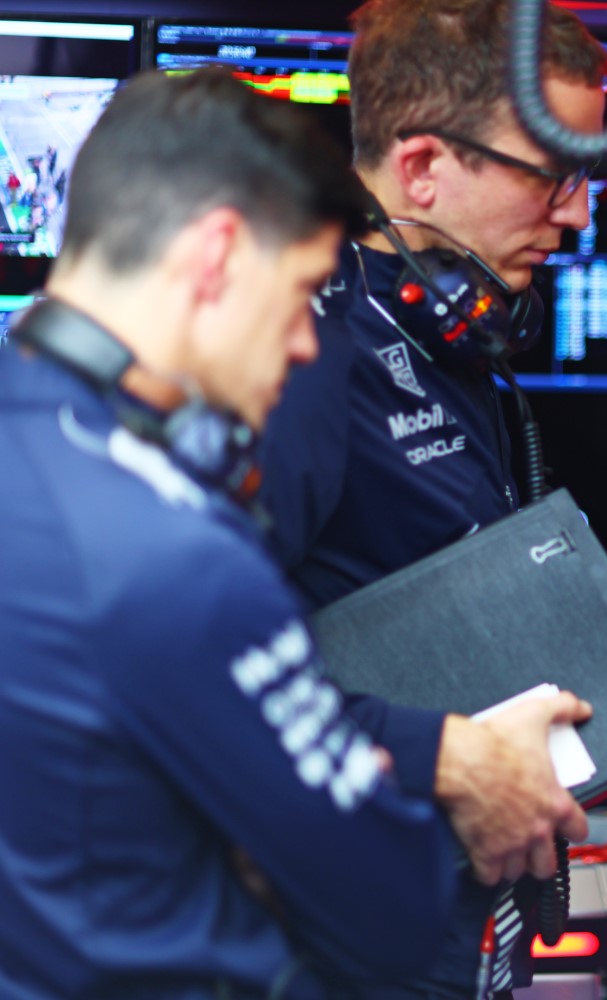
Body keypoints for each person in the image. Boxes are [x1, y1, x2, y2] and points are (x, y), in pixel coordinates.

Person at [0, 68, 569, 1000]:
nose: (309, 345)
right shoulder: (183, 559)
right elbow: (389, 906)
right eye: (305, 291)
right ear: (220, 255)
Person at [256, 1, 607, 996]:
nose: (578, 213)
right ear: (421, 168)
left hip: (453, 931)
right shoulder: (296, 358)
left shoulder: (451, 338)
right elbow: (191, 678)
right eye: (551, 175)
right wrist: (446, 754)